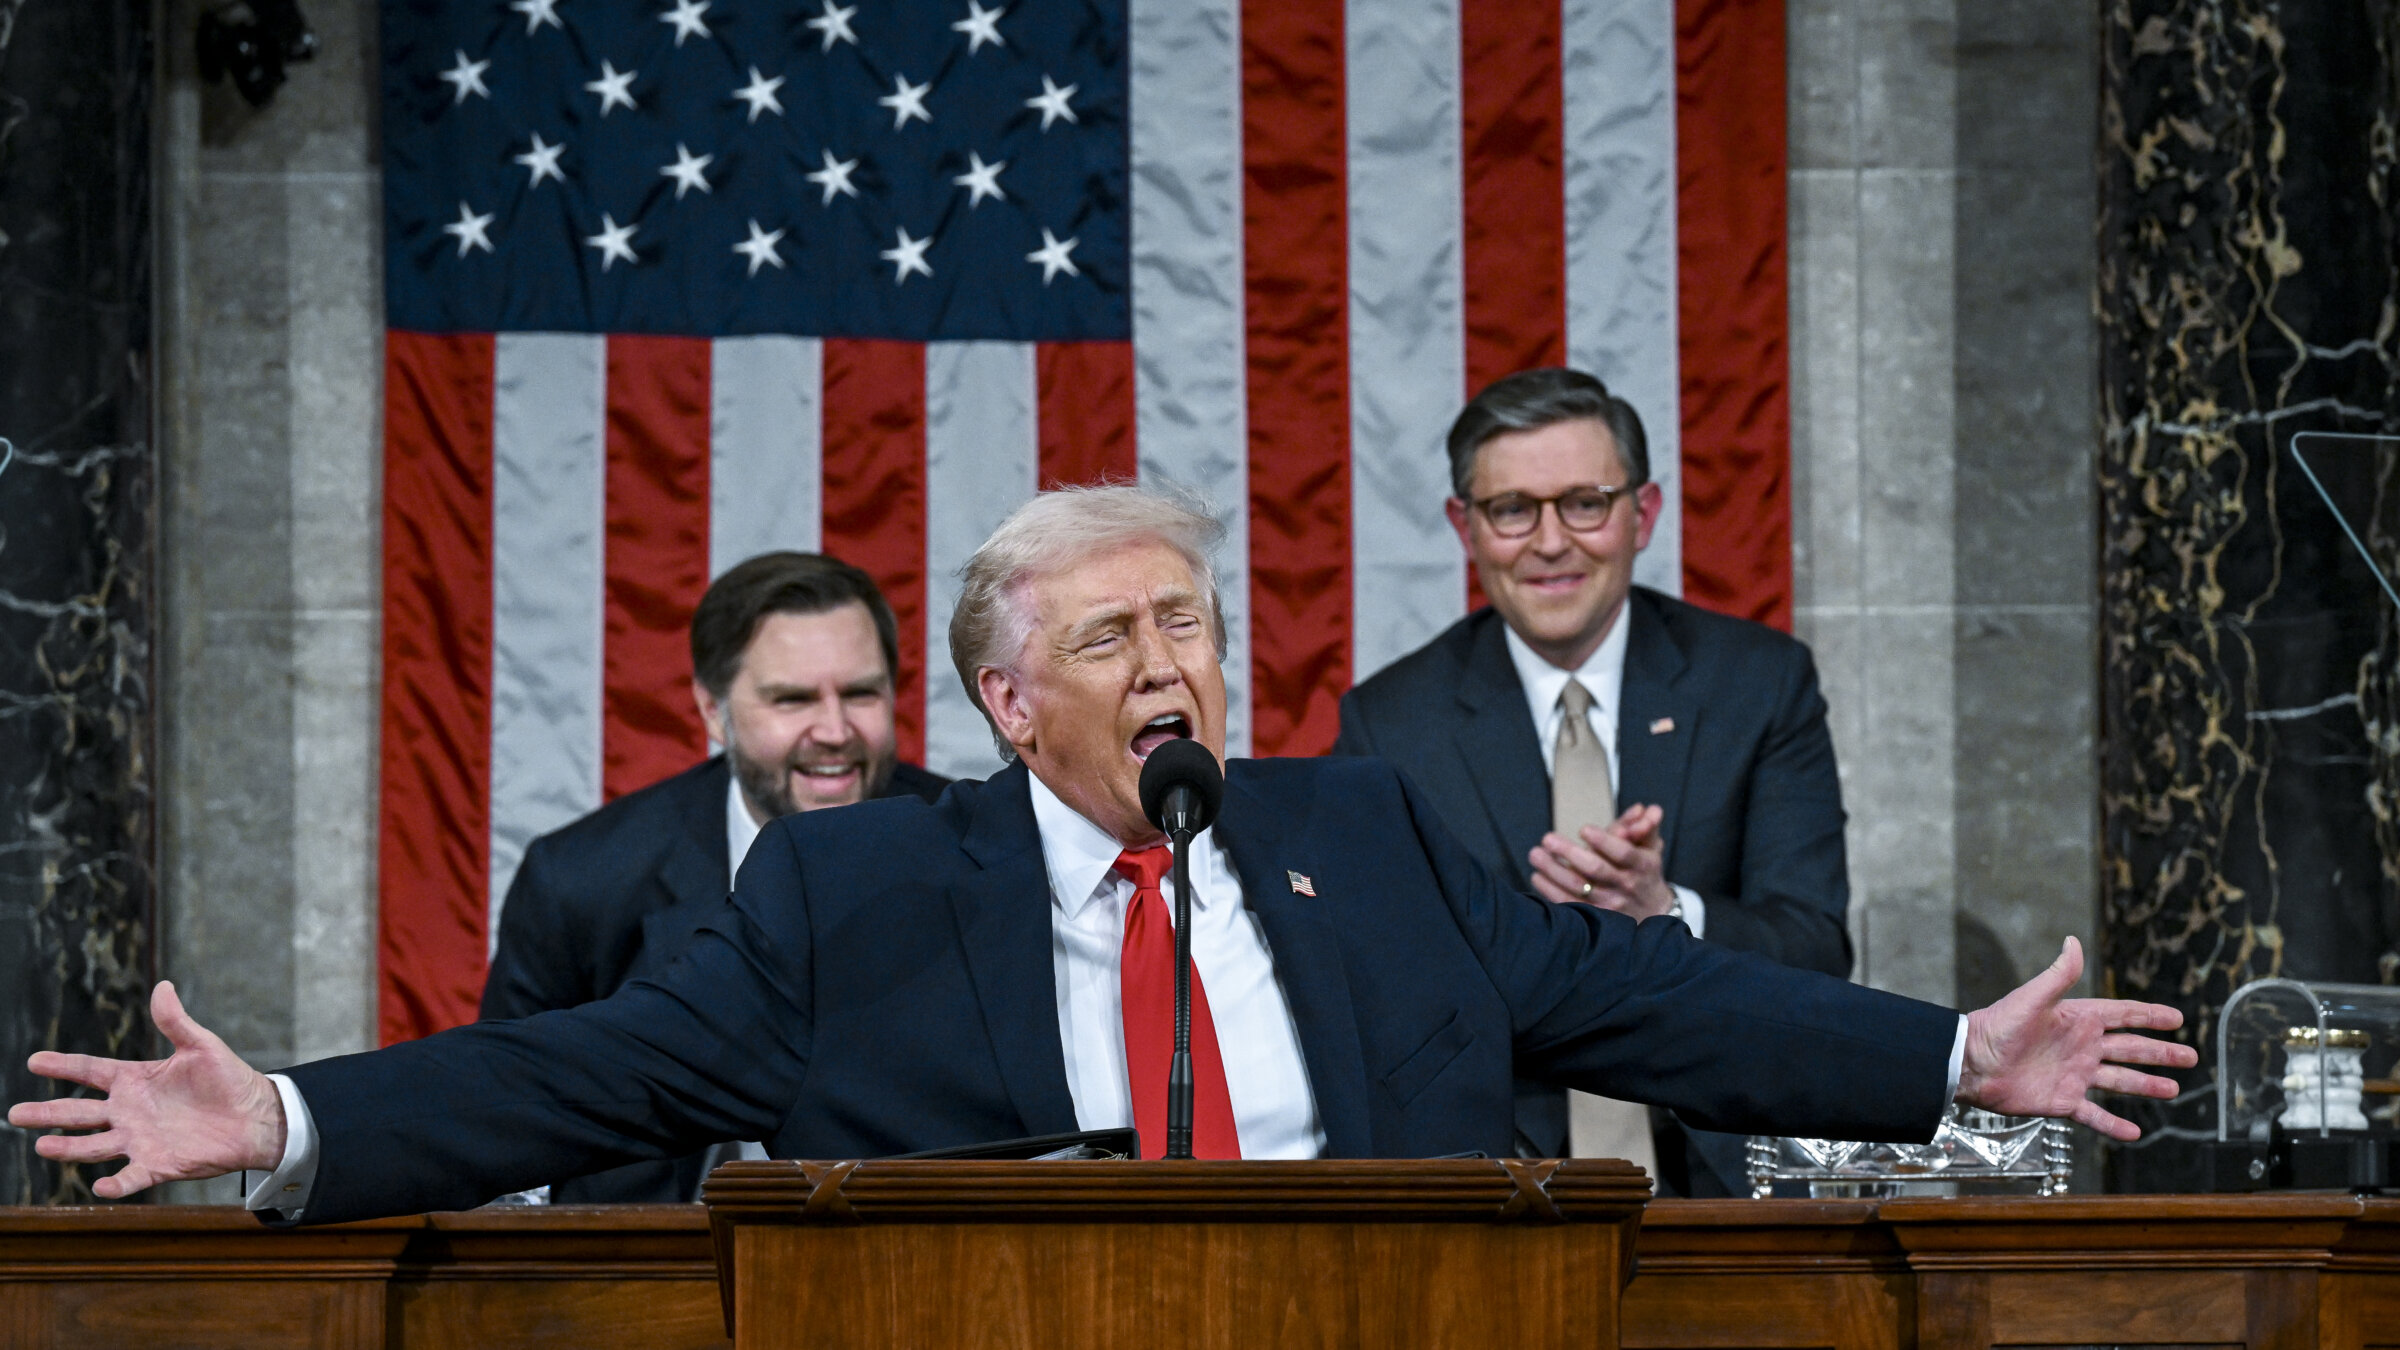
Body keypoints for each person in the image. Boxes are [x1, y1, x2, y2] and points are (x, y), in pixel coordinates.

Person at [11, 487, 2194, 1226]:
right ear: (1006, 702)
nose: (1174, 663)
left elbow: (1648, 1001)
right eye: (1112, 634)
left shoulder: (1367, 830)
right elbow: (579, 1076)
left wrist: (1943, 1063)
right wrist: (287, 1116)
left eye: (1194, 623)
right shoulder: (858, 892)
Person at [1334, 368, 1844, 1194]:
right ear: (1464, 527)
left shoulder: (1758, 685)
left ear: (1643, 514)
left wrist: (1666, 914)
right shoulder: (1390, 724)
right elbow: (1370, 992)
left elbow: (1817, 948)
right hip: (1498, 1183)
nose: (1549, 542)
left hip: (1726, 1176)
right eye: (1512, 510)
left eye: (1584, 502)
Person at [479, 551, 948, 1202]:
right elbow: (504, 1118)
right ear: (711, 710)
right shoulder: (580, 881)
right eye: (793, 699)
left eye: (862, 693)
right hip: (652, 1271)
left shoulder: (977, 851)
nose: (836, 730)